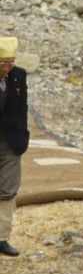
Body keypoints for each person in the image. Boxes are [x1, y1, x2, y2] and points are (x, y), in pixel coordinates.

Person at [0, 34, 29, 257]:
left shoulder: (19, 76)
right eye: (3, 64)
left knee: (8, 189)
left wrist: (23, 134)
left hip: (10, 140)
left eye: (10, 63)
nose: (7, 68)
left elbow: (22, 107)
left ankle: (2, 237)